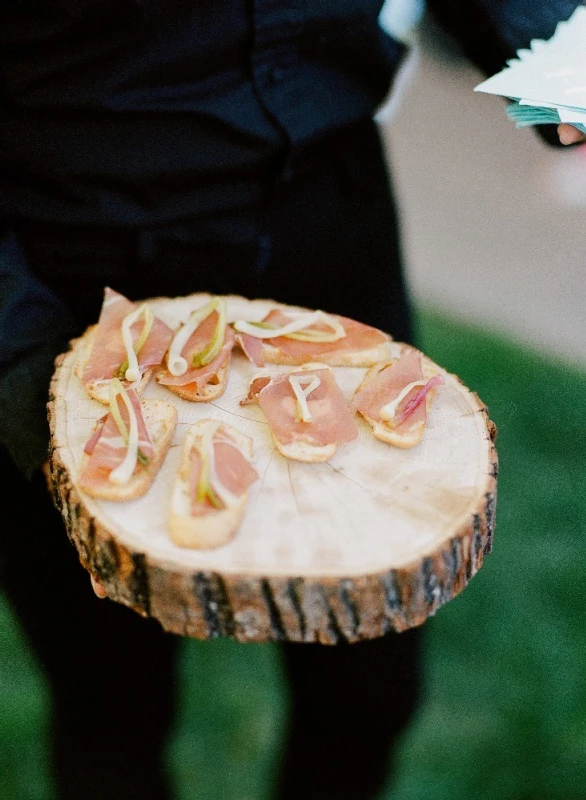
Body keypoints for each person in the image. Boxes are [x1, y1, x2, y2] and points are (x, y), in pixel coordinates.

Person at [0, 2, 582, 799]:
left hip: (329, 219)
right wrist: (24, 359)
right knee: (110, 705)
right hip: (80, 276)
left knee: (368, 697)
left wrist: (568, 78)